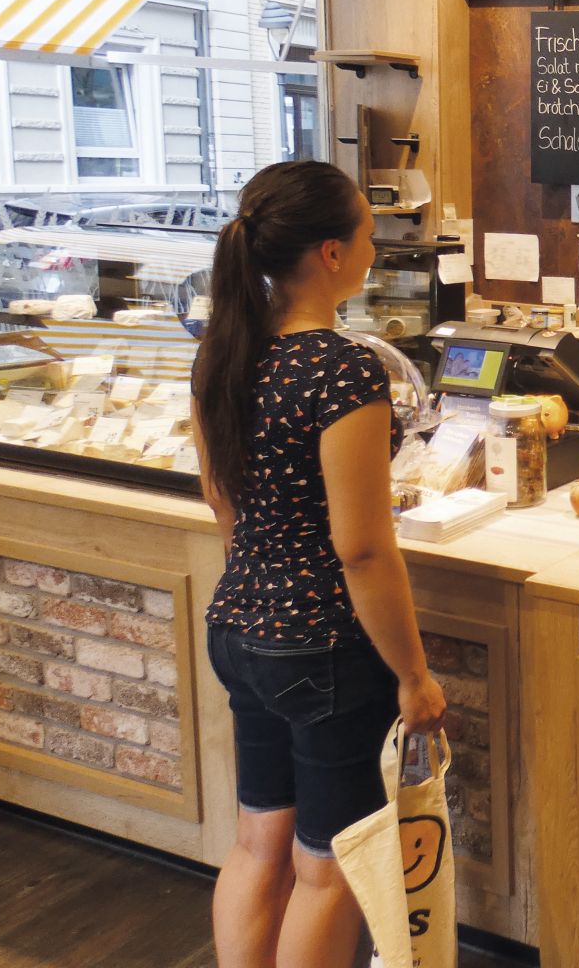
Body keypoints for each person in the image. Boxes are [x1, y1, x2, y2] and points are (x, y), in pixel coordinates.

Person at [192, 160, 446, 968]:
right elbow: (362, 548)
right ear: (332, 253)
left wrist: (266, 594)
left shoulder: (224, 352)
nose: (374, 249)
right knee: (330, 866)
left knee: (258, 842)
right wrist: (413, 676)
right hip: (324, 649)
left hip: (238, 628)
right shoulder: (341, 370)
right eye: (368, 235)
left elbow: (222, 503)